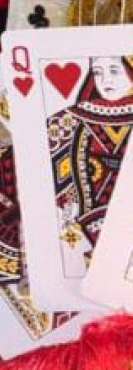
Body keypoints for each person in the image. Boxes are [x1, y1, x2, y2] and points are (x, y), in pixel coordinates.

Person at [48, 54, 133, 256]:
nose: (106, 80)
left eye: (114, 70)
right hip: (83, 232)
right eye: (97, 72)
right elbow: (41, 166)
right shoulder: (71, 118)